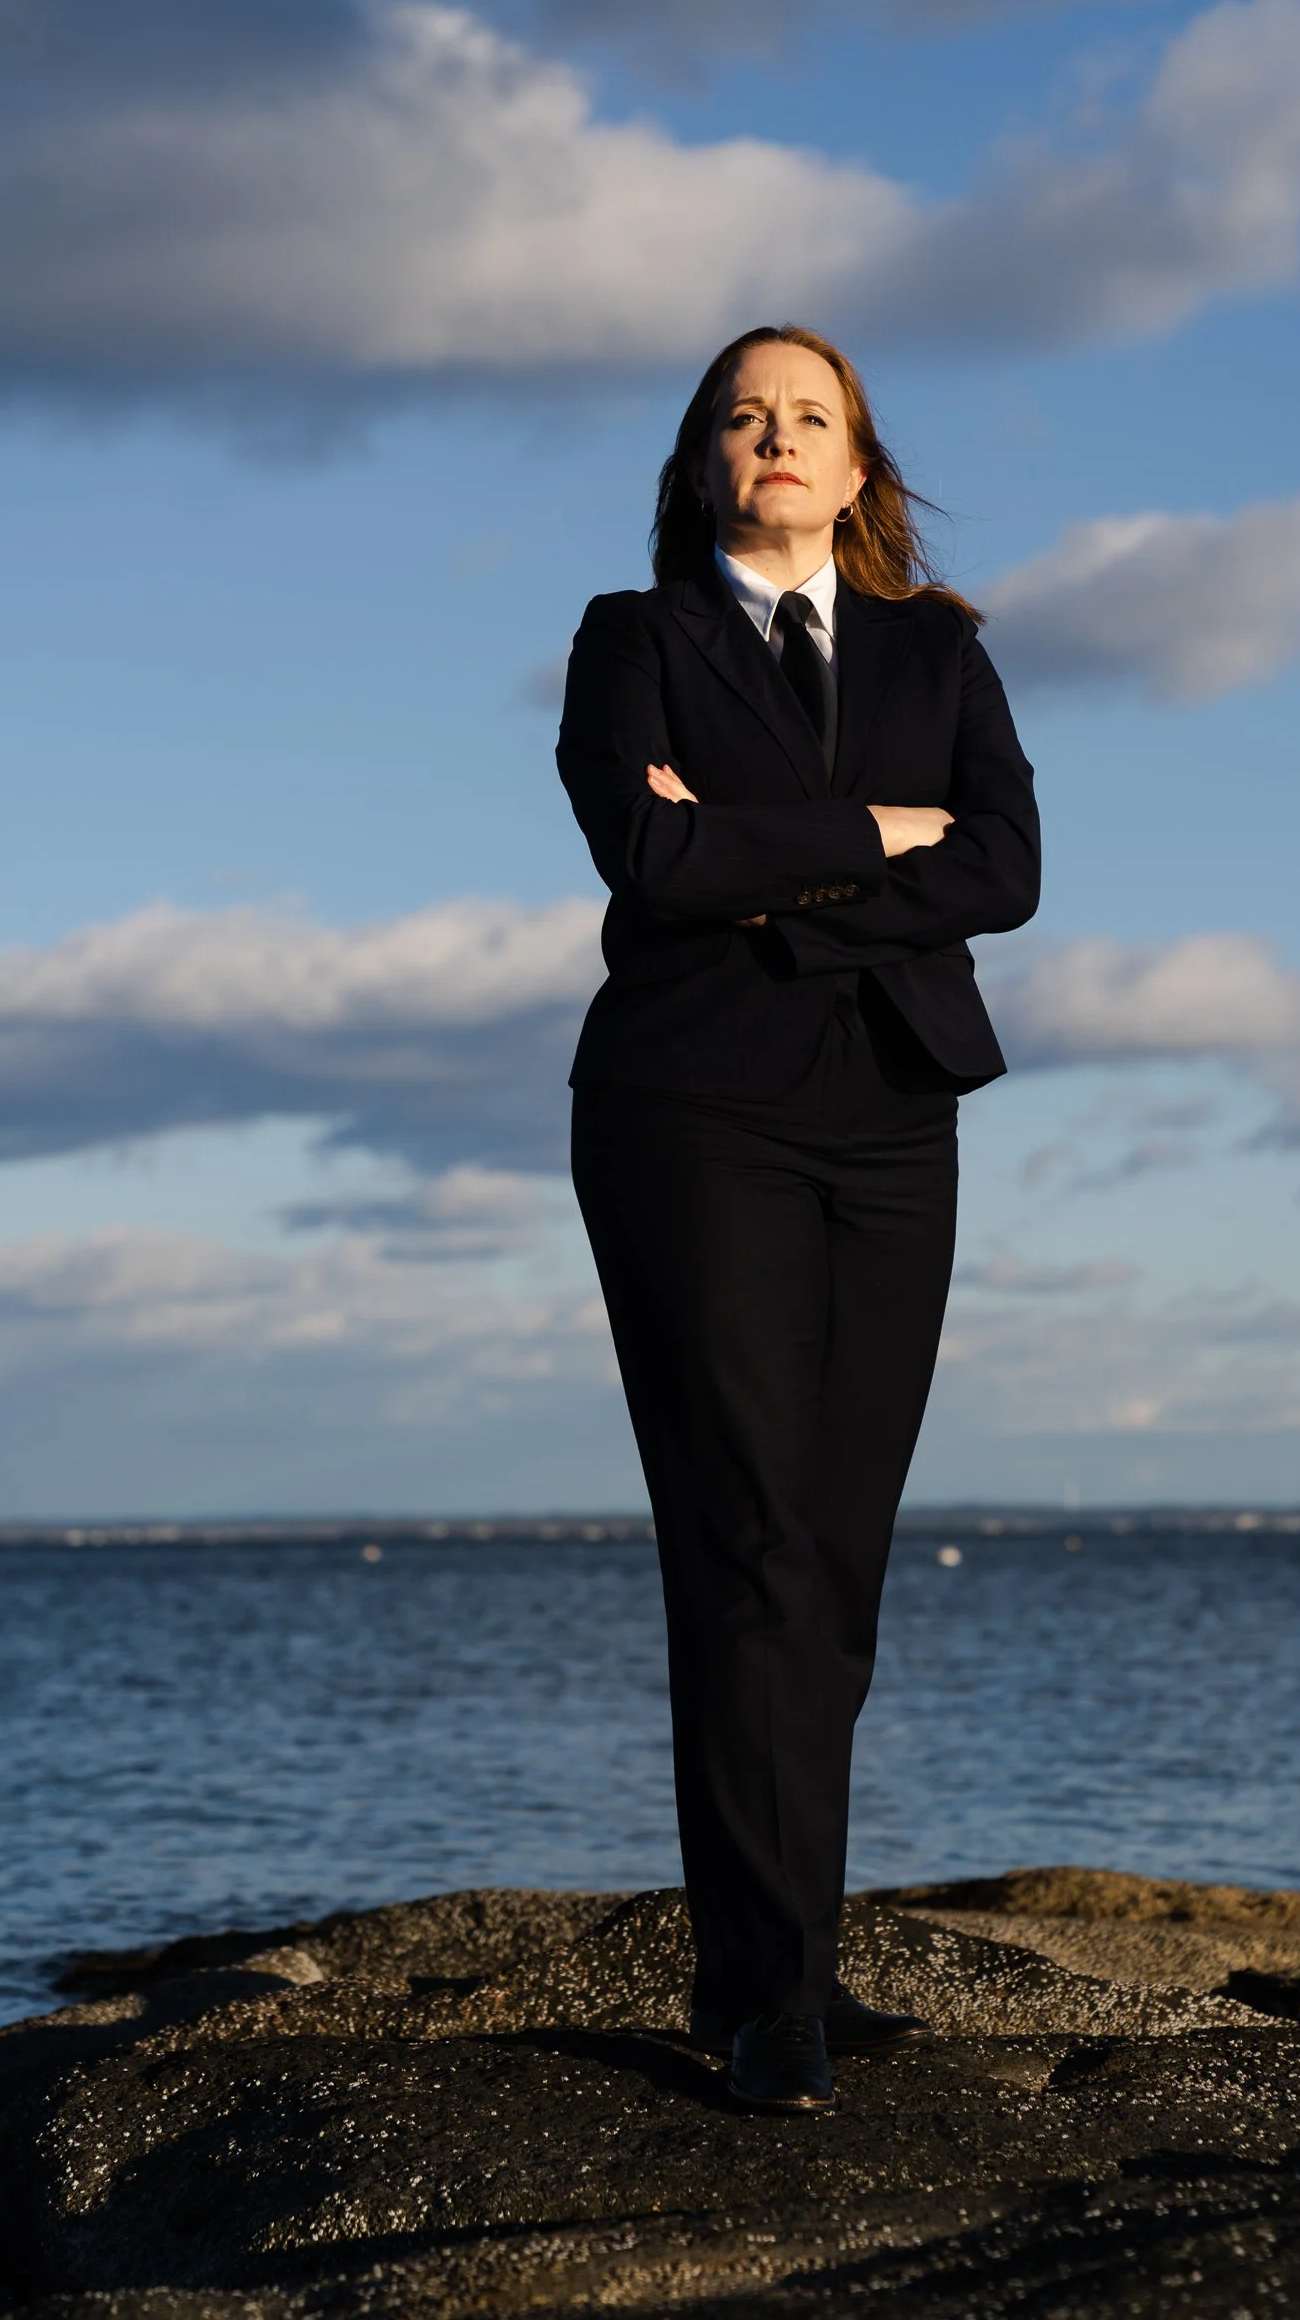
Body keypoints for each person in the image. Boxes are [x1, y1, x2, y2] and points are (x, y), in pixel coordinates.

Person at [556, 324, 1039, 2111]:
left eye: (808, 416)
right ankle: (771, 1999)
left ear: (856, 469)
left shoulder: (939, 651)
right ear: (704, 462)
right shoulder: (638, 639)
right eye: (742, 416)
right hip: (692, 1113)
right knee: (748, 1534)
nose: (775, 436)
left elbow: (1009, 868)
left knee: (834, 1557)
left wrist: (784, 866)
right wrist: (875, 843)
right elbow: (647, 855)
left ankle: (786, 1966)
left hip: (896, 1118)